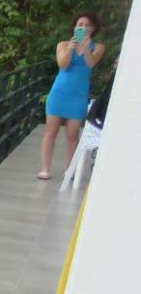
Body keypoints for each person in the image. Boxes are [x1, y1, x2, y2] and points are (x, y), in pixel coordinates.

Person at [39, 11, 105, 179]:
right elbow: (63, 65)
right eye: (79, 25)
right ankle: (45, 169)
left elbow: (90, 63)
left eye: (87, 25)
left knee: (72, 134)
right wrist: (70, 48)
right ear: (75, 27)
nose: (82, 27)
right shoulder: (63, 44)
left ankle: (69, 170)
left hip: (78, 96)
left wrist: (86, 48)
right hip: (59, 93)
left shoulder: (98, 47)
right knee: (50, 132)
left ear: (93, 28)